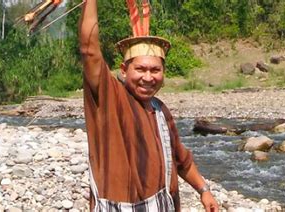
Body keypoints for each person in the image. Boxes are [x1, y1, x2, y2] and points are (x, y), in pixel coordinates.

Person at [79, 0, 219, 211]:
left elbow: (181, 159)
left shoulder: (161, 110)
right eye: (140, 69)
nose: (148, 77)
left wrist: (203, 190)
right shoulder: (109, 97)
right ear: (124, 70)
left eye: (155, 70)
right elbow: (90, 51)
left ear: (163, 73)